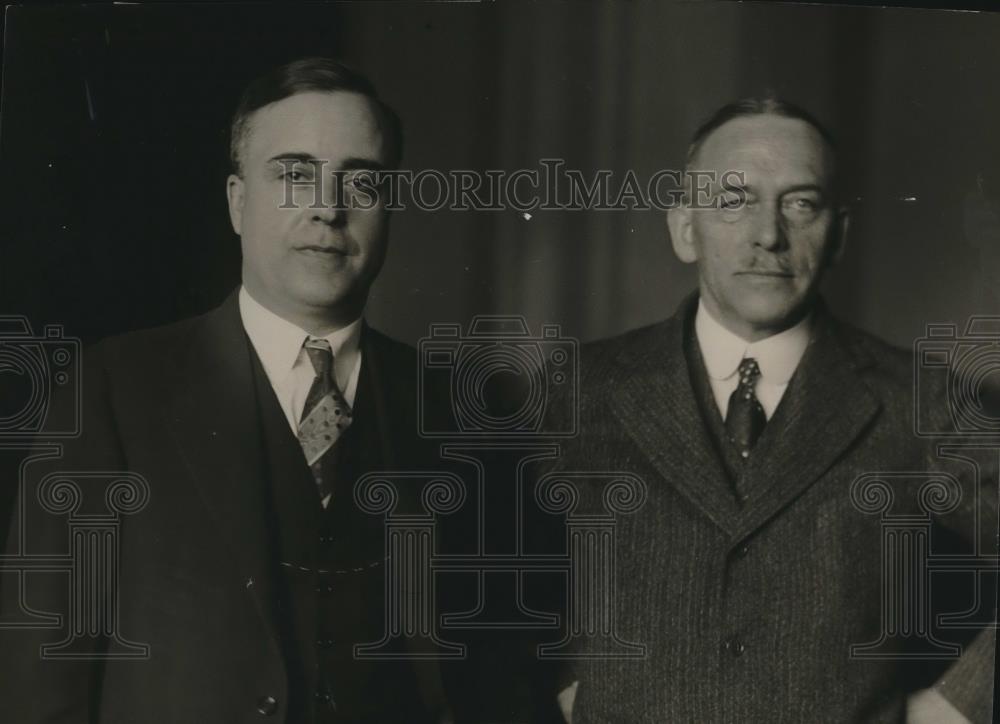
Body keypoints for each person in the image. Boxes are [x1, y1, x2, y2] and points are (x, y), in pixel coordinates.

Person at [0, 57, 443, 723]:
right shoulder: (114, 388)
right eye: (294, 175)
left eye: (362, 180)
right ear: (238, 203)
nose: (327, 207)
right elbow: (41, 676)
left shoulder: (450, 407)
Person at [551, 98, 997, 723]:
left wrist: (957, 709)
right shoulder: (577, 390)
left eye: (800, 203)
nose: (769, 234)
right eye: (734, 200)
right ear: (685, 229)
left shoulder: (921, 400)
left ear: (837, 233)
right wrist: (569, 687)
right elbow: (485, 572)